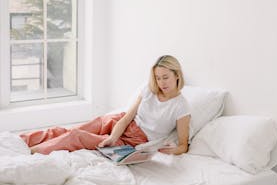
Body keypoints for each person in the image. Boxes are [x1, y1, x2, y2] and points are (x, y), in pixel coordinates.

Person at [21, 55, 191, 156]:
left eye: (165, 77)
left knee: (77, 137)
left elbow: (183, 145)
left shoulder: (181, 106)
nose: (161, 82)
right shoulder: (149, 89)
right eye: (158, 77)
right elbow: (126, 118)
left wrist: (167, 152)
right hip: (118, 123)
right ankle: (21, 141)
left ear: (177, 75)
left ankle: (32, 153)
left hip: (134, 140)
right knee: (70, 130)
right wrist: (112, 137)